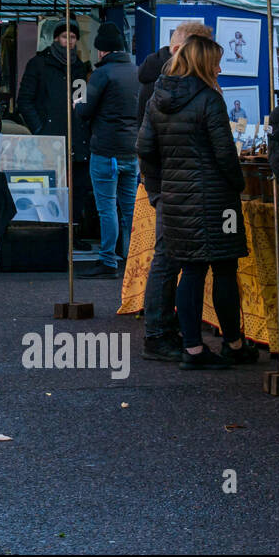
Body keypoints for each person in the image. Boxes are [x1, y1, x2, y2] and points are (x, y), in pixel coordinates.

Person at [137, 34, 255, 370]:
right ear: (204, 64)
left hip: (175, 198)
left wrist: (161, 188)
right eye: (216, 62)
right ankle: (233, 342)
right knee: (224, 269)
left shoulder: (157, 99)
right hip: (216, 199)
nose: (220, 68)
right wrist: (237, 184)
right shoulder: (209, 99)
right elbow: (224, 154)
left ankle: (192, 347)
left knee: (190, 270)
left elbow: (144, 149)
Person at [136, 22, 213, 361]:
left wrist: (156, 189)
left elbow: (145, 146)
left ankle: (163, 330)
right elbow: (147, 147)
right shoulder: (174, 88)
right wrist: (158, 190)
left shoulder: (163, 86)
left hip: (171, 189)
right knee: (169, 259)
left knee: (169, 259)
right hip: (180, 190)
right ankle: (158, 333)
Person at [74, 22, 140, 278]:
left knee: (107, 208)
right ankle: (136, 260)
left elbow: (84, 111)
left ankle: (108, 261)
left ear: (101, 51)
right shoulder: (135, 71)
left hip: (106, 151)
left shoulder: (103, 74)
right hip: (130, 151)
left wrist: (76, 101)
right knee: (130, 208)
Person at [17, 19, 92, 242]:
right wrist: (40, 129)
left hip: (77, 139)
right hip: (49, 138)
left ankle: (73, 234)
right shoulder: (39, 64)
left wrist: (83, 126)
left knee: (76, 188)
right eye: (64, 37)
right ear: (55, 39)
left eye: (72, 37)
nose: (68, 41)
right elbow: (25, 100)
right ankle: (53, 232)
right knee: (52, 186)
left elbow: (82, 100)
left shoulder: (80, 66)